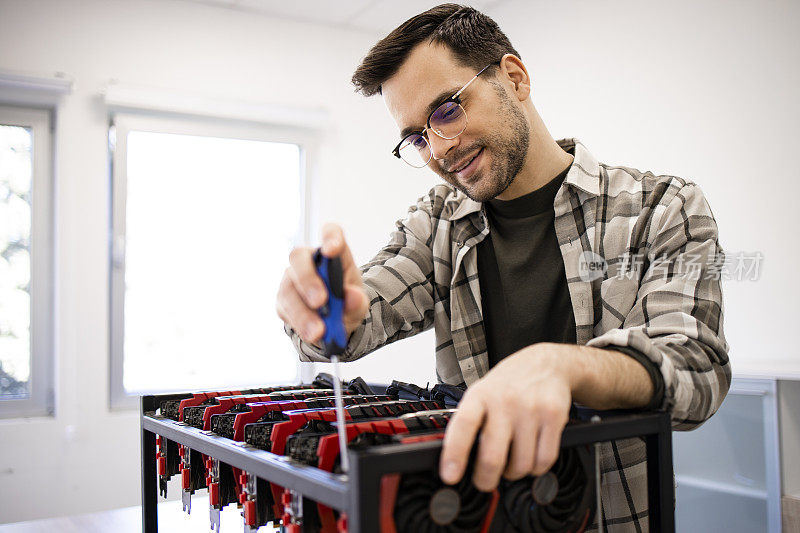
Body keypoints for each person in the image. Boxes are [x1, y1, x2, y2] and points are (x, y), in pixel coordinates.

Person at [276, 4, 730, 531]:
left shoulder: (661, 207)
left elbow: (697, 369)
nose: (439, 150)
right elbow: (354, 319)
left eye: (447, 109)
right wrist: (319, 310)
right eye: (418, 137)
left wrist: (564, 368)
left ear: (514, 79)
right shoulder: (437, 225)